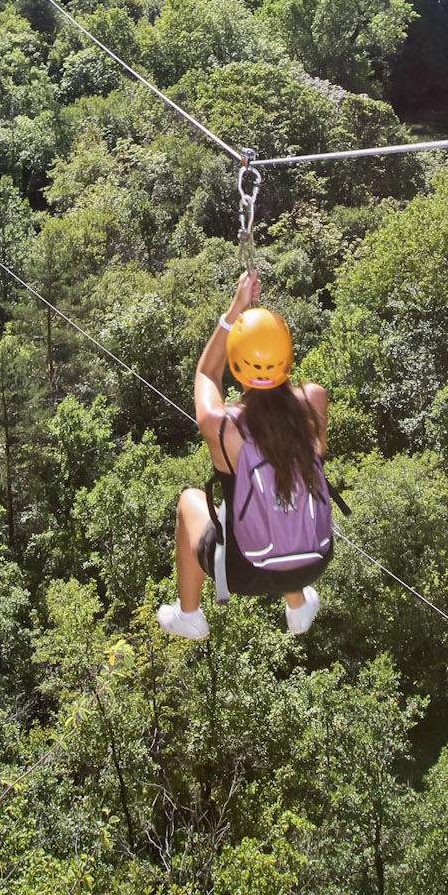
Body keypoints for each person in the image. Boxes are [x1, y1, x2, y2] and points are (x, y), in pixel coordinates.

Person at [157, 269, 331, 641]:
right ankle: (297, 606)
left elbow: (206, 373)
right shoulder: (314, 400)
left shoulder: (222, 426)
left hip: (244, 570)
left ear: (238, 364)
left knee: (190, 499)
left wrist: (236, 308)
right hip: (313, 561)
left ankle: (189, 615)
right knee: (284, 486)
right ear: (288, 357)